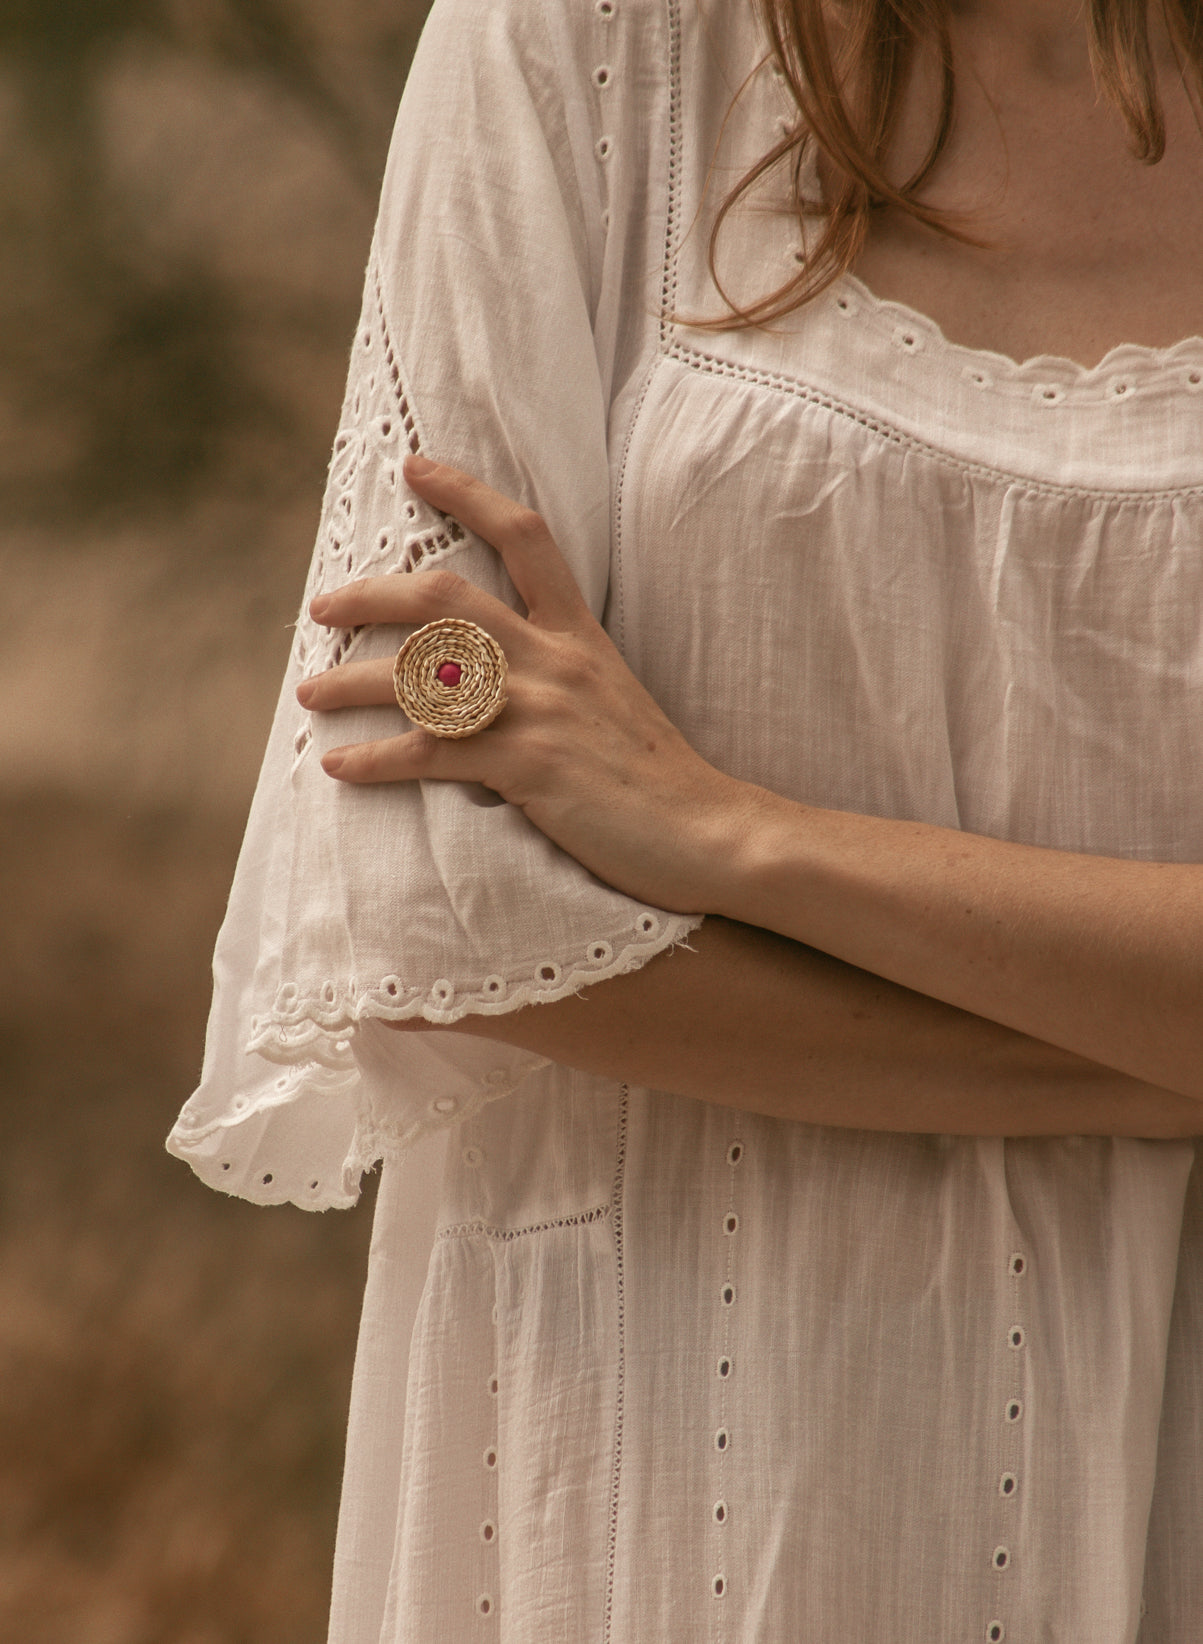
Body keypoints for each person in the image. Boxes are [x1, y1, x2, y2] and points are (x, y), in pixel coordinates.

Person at [168, 0, 1203, 1637]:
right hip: (684, 1465)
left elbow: (587, 880)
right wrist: (1154, 1051)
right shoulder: (572, 48)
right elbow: (446, 914)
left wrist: (728, 837)